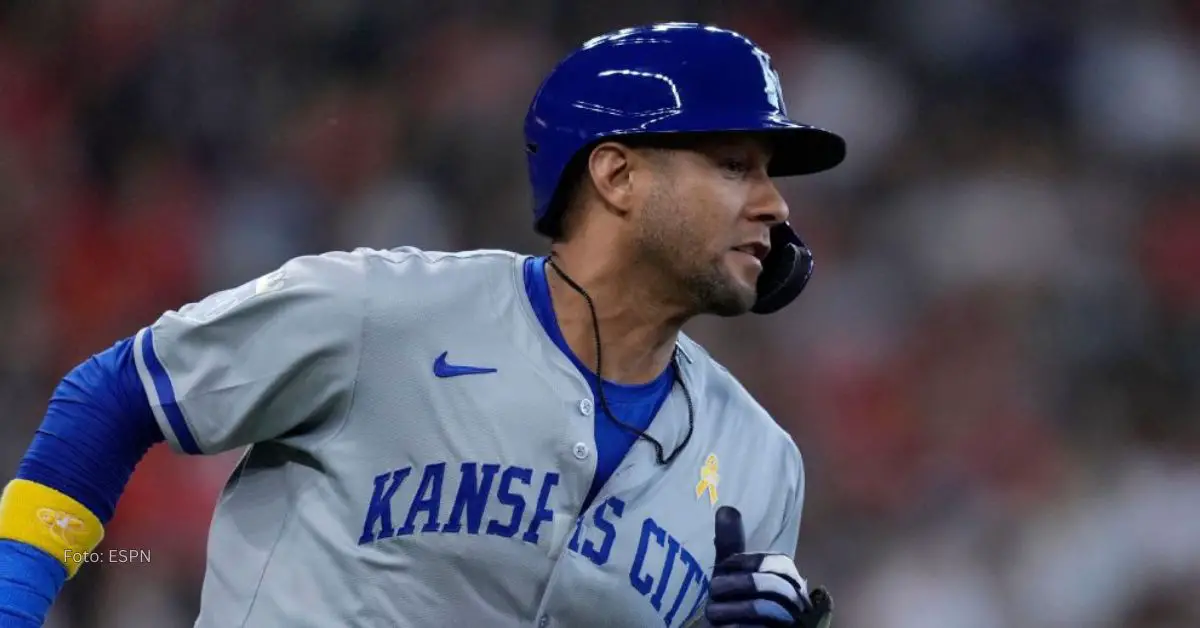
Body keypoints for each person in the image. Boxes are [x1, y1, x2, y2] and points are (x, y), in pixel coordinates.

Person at [0, 21, 844, 627]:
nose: (774, 205)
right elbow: (114, 396)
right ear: (617, 175)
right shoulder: (382, 312)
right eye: (736, 165)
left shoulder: (763, 465)